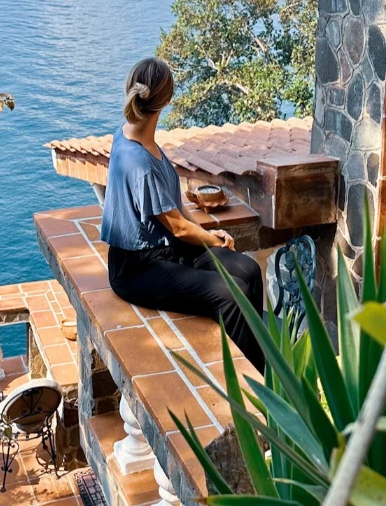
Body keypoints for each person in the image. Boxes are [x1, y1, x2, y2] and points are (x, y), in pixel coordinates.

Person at [100, 56, 266, 372]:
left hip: (168, 250)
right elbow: (176, 227)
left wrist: (206, 233)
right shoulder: (138, 162)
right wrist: (211, 239)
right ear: (166, 101)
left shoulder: (132, 134)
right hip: (136, 269)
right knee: (232, 295)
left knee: (248, 270)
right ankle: (255, 381)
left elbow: (173, 208)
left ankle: (260, 355)